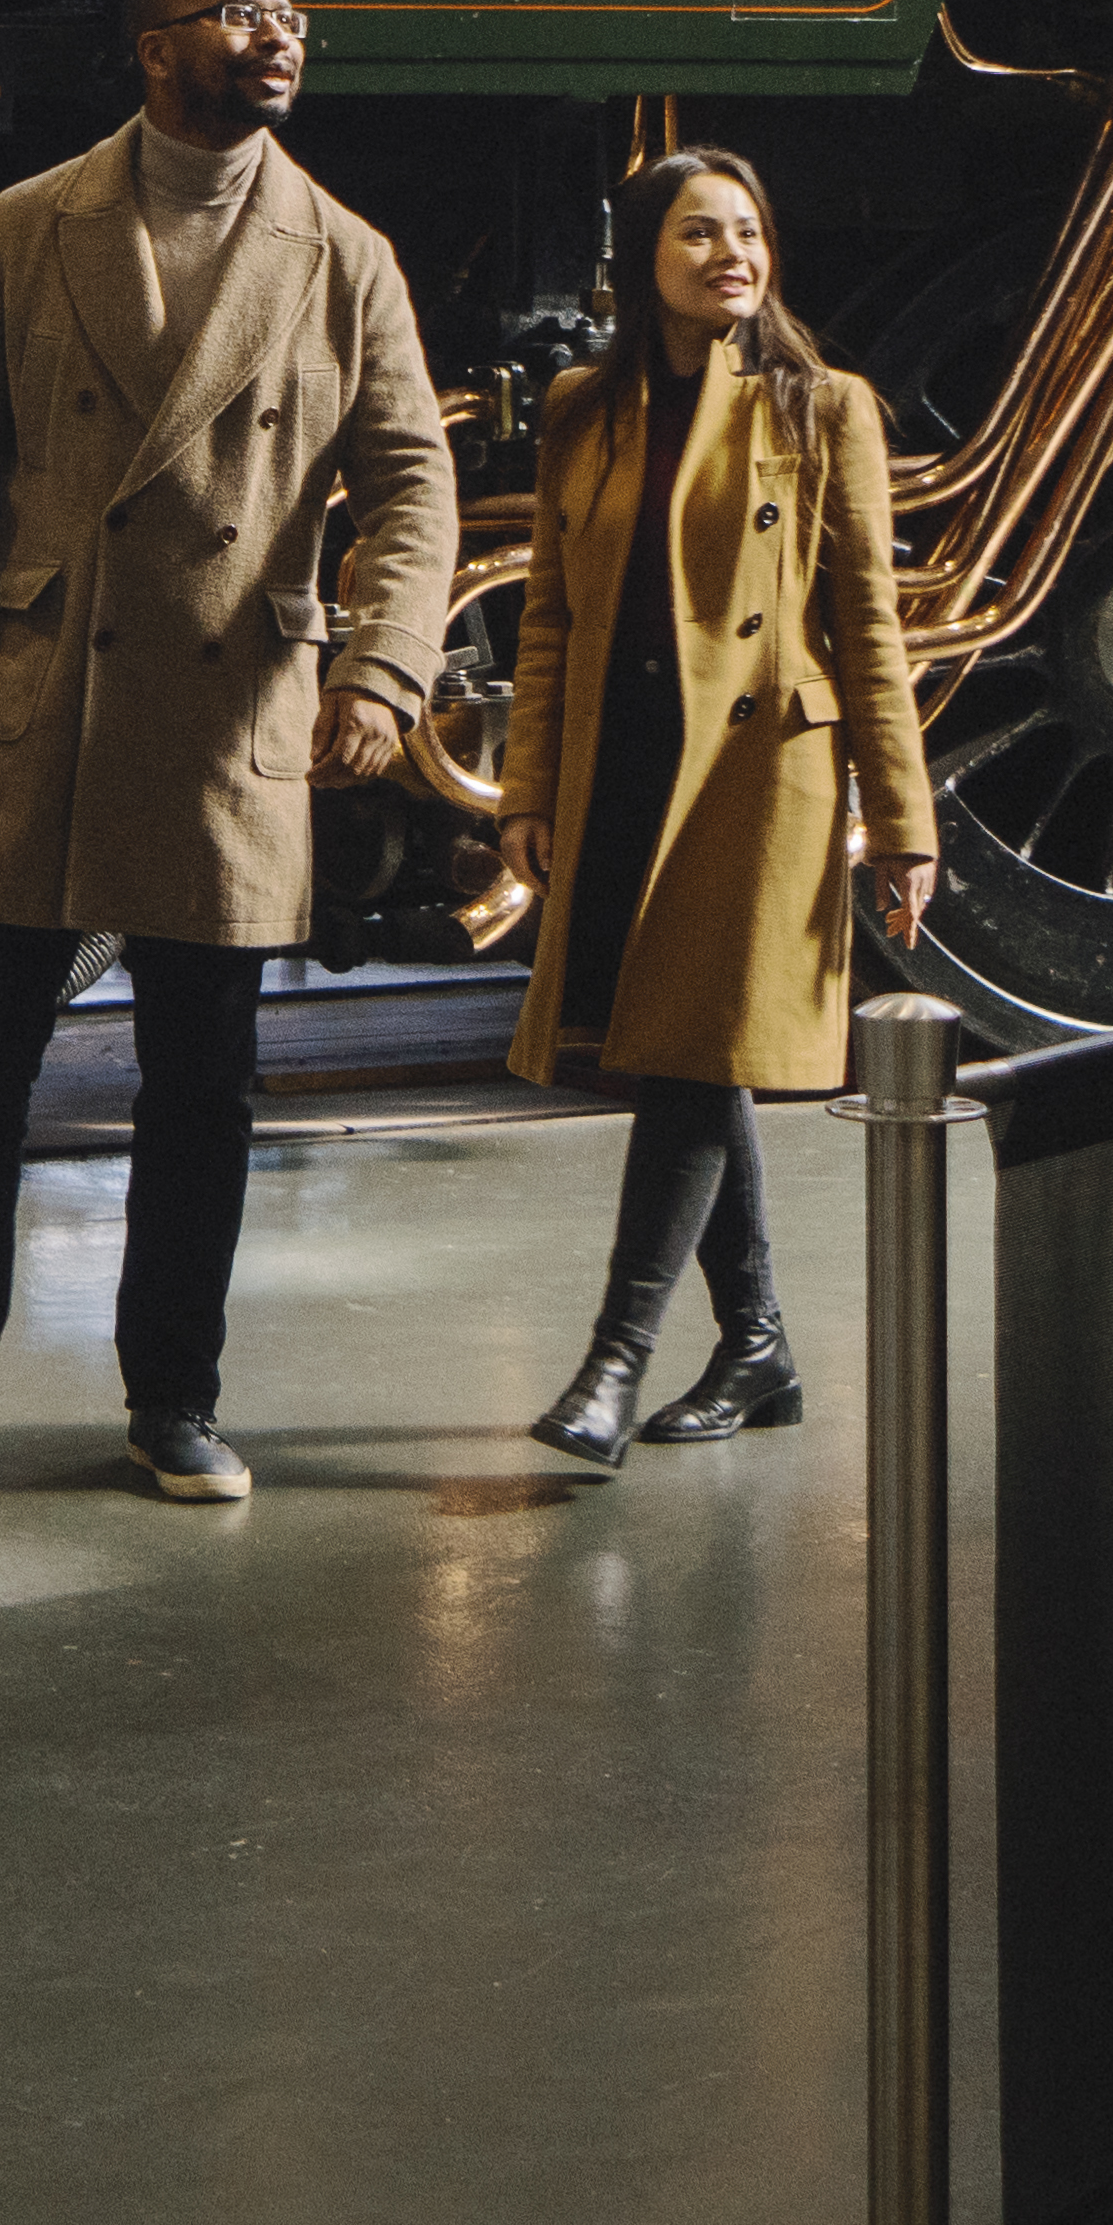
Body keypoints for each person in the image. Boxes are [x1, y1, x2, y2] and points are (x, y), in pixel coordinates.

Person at [0, 0, 458, 1505]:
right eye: (240, 16)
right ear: (154, 48)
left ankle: (176, 1397)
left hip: (226, 703)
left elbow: (415, 477)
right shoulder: (29, 224)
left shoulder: (343, 251)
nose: (276, 40)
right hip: (36, 690)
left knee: (204, 1080)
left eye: (288, 19)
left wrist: (381, 668)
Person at [457, 145, 940, 1461]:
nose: (732, 253)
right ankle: (761, 1342)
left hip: (762, 776)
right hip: (626, 769)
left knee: (685, 1053)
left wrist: (902, 820)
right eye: (697, 235)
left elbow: (870, 627)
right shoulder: (582, 408)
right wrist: (526, 791)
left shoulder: (824, 405)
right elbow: (546, 619)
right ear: (639, 261)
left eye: (748, 232)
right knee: (687, 1048)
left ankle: (613, 1361)